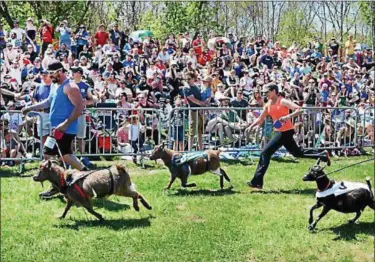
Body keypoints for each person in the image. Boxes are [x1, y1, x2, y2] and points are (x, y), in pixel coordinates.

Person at [21, 61, 87, 198]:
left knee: (53, 154)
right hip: (56, 129)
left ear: (61, 71)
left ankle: (63, 182)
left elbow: (79, 107)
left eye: (52, 73)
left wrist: (65, 124)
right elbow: (48, 102)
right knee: (63, 155)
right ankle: (81, 176)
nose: (50, 76)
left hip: (65, 128)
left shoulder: (70, 87)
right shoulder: (55, 86)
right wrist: (30, 108)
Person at [245, 84, 331, 190]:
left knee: (265, 153)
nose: (265, 94)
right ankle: (322, 155)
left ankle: (256, 182)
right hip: (280, 131)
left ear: (274, 91)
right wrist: (250, 127)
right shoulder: (267, 105)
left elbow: (299, 109)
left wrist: (287, 117)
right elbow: (260, 119)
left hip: (285, 132)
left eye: (266, 92)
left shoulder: (282, 101)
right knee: (297, 153)